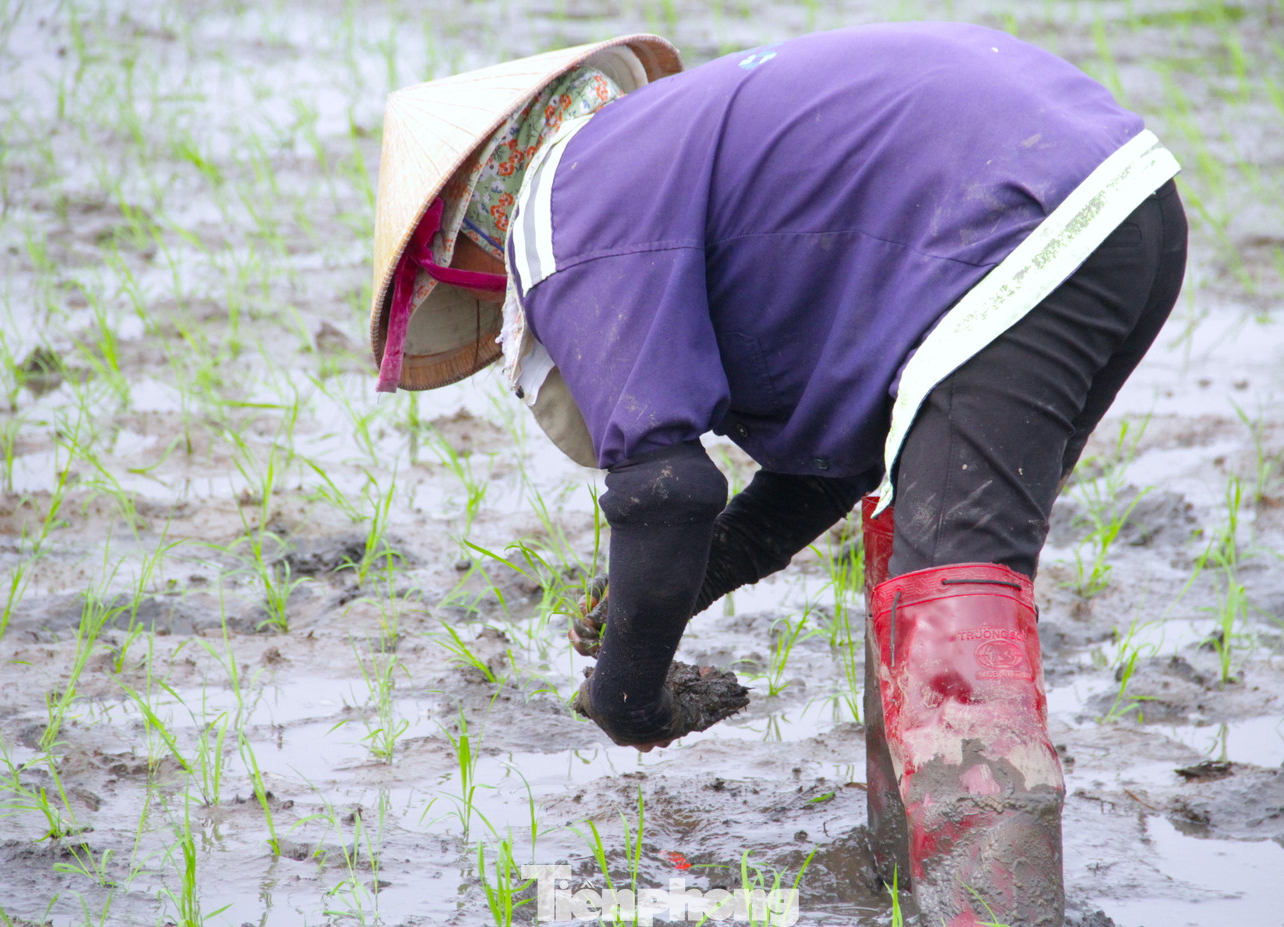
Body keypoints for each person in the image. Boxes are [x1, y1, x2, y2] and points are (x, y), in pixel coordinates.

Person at [368, 24, 1187, 927]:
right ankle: (917, 873)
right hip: (1123, 203)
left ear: (468, 245)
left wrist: (628, 696)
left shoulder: (560, 213)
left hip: (1019, 221)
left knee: (955, 577)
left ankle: (996, 907)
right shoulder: (661, 170)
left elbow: (664, 491)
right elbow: (840, 460)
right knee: (940, 537)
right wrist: (708, 572)